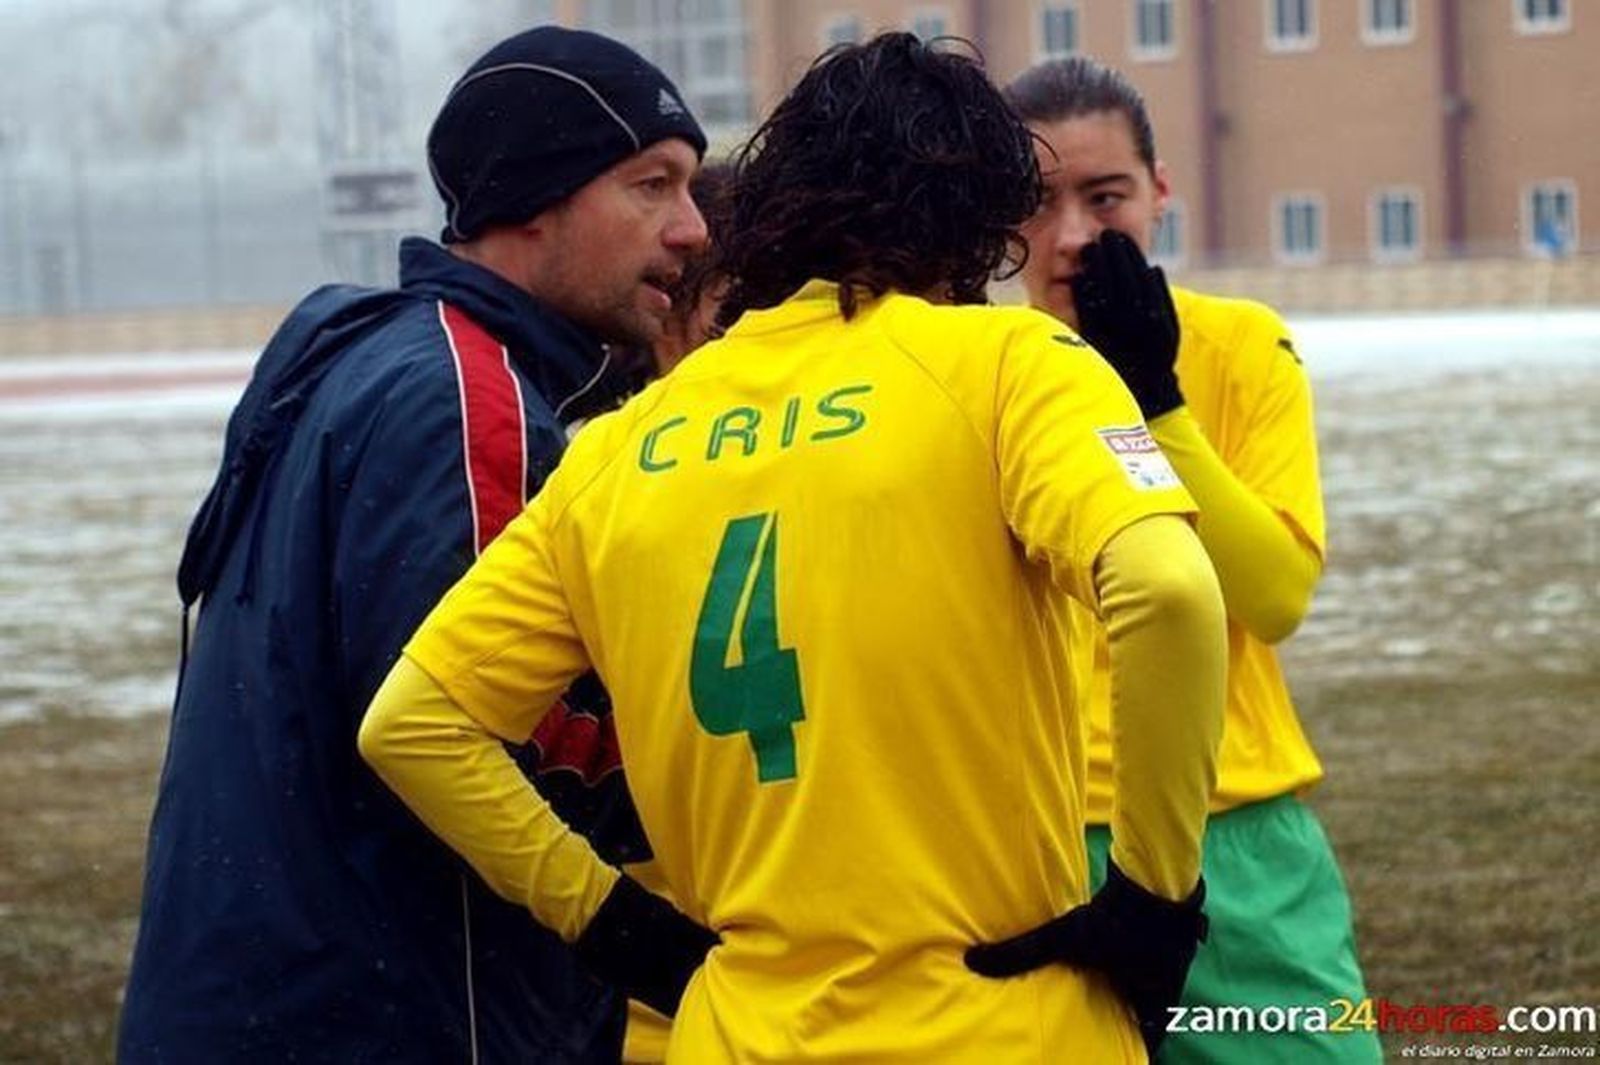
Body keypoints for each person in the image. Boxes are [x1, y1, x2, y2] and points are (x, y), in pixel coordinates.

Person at [359, 33, 1227, 1063]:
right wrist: (1151, 898)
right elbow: (1171, 592)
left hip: (740, 1030)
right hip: (1003, 1021)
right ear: (975, 227)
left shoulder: (615, 446)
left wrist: (613, 925)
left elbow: (413, 726)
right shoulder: (1010, 362)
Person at [118, 26, 713, 1064]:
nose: (692, 229)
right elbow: (492, 739)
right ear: (535, 195)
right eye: (651, 185)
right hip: (396, 1016)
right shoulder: (464, 395)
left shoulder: (370, 361)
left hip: (250, 998)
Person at [1005, 56, 1382, 1064]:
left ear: (1159, 194)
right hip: (1033, 844)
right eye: (1039, 204)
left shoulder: (1241, 347)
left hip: (1236, 830)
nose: (1075, 235)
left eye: (1105, 196)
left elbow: (1271, 592)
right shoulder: (976, 375)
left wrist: (1154, 398)